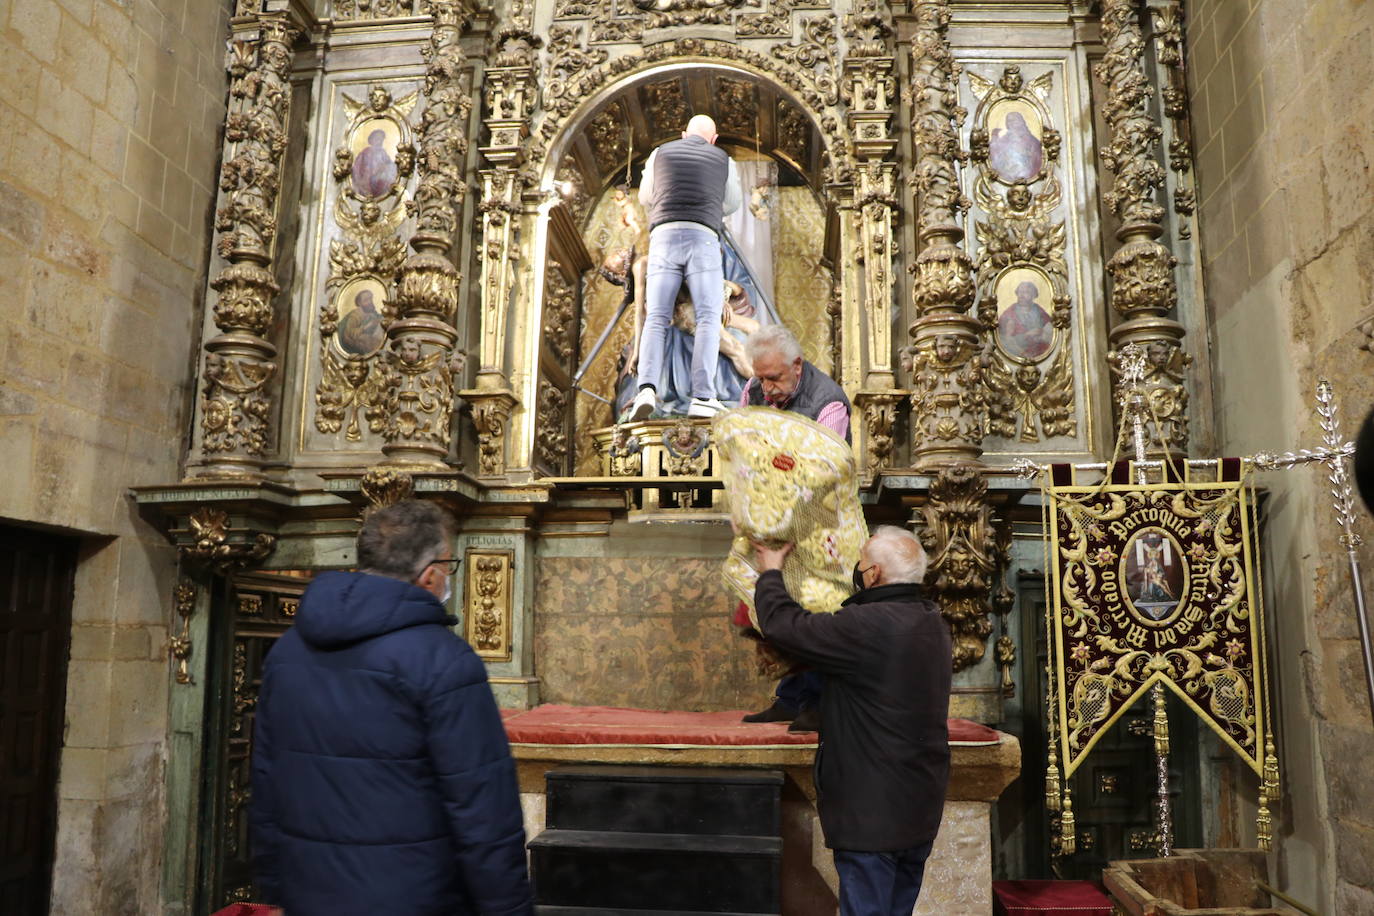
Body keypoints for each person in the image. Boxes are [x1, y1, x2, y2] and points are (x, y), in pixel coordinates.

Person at [250, 500, 533, 916]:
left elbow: (266, 777)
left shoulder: (288, 649)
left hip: (308, 890)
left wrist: (273, 887)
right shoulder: (444, 659)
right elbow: (483, 810)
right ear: (430, 574)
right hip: (413, 896)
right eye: (447, 564)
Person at [750, 526, 951, 916]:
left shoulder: (867, 625)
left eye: (860, 563)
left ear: (873, 573)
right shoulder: (932, 622)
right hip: (919, 805)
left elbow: (784, 626)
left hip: (870, 811)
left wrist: (771, 571)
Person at [736, 324, 852, 732]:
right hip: (771, 516)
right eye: (761, 376)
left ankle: (818, 701)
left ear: (797, 365)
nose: (765, 388)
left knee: (815, 610)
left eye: (774, 378)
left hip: (816, 523)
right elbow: (744, 446)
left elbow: (825, 471)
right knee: (775, 607)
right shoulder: (753, 389)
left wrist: (783, 508)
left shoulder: (829, 401)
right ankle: (789, 699)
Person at [629, 114, 743, 421]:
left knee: (656, 316)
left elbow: (645, 197)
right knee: (708, 317)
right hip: (703, 237)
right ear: (714, 139)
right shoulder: (724, 159)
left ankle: (647, 390)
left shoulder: (659, 153)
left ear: (683, 134)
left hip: (663, 237)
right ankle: (702, 397)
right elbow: (732, 203)